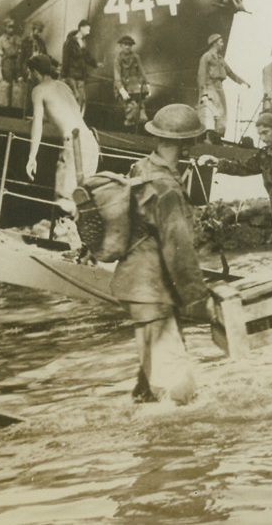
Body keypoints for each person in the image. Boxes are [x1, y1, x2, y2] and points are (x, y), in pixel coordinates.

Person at [111, 103, 213, 404]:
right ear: (186, 144)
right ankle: (169, 448)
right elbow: (178, 250)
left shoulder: (141, 168)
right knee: (179, 395)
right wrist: (198, 299)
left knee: (149, 390)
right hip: (153, 292)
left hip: (137, 288)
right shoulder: (167, 188)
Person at [203, 112, 272, 261]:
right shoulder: (264, 154)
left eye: (266, 133)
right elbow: (243, 167)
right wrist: (218, 163)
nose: (263, 138)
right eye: (260, 135)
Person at [25, 53, 100, 214]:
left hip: (73, 145)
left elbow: (37, 126)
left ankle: (64, 235)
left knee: (64, 201)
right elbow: (66, 111)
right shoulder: (63, 86)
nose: (29, 77)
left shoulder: (38, 90)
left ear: (35, 72)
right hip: (90, 142)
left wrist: (32, 157)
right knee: (81, 200)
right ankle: (75, 236)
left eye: (29, 73)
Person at [197, 32, 247, 142]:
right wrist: (204, 93)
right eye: (220, 42)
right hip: (210, 87)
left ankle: (216, 138)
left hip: (219, 88)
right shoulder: (206, 57)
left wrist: (243, 82)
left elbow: (231, 73)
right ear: (214, 43)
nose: (222, 44)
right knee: (209, 112)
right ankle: (206, 137)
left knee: (222, 114)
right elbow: (202, 75)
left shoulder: (220, 59)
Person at [62, 19, 99, 114]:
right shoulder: (70, 42)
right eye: (87, 29)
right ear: (81, 28)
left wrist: (95, 64)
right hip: (72, 75)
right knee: (74, 96)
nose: (89, 32)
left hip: (81, 76)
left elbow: (86, 56)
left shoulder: (83, 42)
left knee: (80, 98)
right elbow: (65, 59)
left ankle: (76, 119)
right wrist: (63, 75)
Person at [114, 35, 149, 131]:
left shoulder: (136, 57)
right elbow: (117, 77)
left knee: (142, 115)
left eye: (129, 45)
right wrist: (121, 90)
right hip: (124, 88)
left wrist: (147, 85)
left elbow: (142, 72)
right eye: (125, 44)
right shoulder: (118, 59)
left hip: (136, 87)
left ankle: (140, 132)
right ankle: (129, 130)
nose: (127, 47)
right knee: (131, 110)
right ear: (121, 45)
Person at [0, 17, 23, 83]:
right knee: (8, 86)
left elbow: (20, 54)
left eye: (13, 27)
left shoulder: (17, 38)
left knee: (18, 87)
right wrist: (0, 74)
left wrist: (19, 70)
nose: (12, 29)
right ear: (5, 27)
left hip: (16, 64)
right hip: (6, 65)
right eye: (9, 27)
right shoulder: (0, 40)